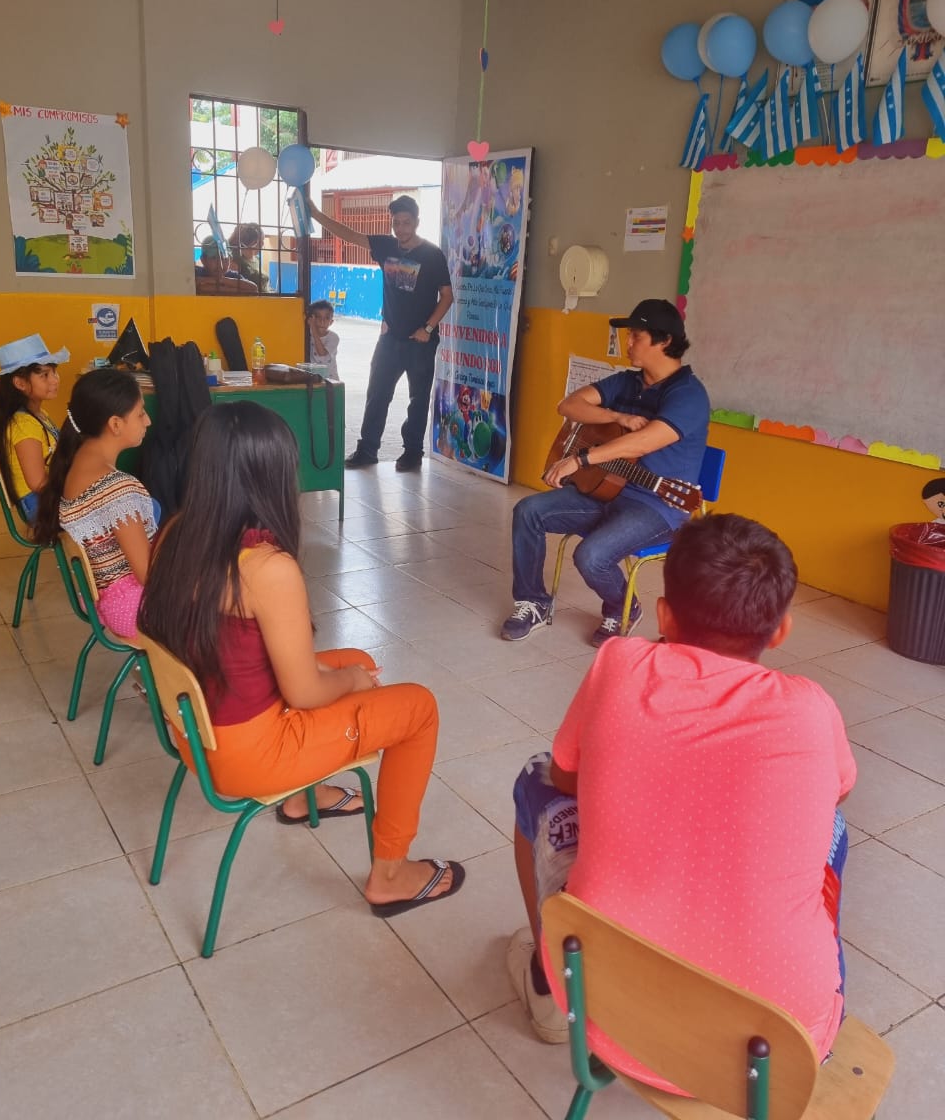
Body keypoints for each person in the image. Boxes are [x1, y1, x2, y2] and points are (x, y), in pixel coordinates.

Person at [507, 513, 856, 1095]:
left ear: (665, 616)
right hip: (777, 1053)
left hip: (604, 1012)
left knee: (533, 776)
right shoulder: (811, 706)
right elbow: (838, 789)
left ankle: (548, 983)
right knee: (835, 829)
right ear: (780, 631)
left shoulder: (621, 662)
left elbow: (565, 776)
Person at [137, 400, 465, 915]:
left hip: (196, 733)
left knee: (356, 657)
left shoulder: (177, 532)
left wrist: (350, 672)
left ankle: (300, 796)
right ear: (270, 476)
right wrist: (351, 682)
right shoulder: (266, 567)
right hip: (250, 756)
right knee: (418, 708)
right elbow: (305, 693)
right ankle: (390, 875)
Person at [501, 299, 710, 647]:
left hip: (657, 506)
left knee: (591, 556)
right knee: (528, 511)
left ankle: (622, 607)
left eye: (636, 336)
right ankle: (533, 602)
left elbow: (644, 441)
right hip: (605, 490)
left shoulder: (689, 395)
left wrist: (582, 460)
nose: (627, 343)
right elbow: (569, 406)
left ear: (664, 341)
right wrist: (616, 417)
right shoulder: (628, 382)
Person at [308, 194, 453, 472]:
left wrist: (428, 328)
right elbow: (349, 235)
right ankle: (367, 450)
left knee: (418, 399)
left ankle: (412, 452)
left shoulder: (432, 255)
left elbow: (447, 296)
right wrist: (316, 214)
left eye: (406, 222)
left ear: (417, 222)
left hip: (420, 343)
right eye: (396, 223)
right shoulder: (386, 246)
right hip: (389, 339)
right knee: (377, 394)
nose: (401, 229)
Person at [34, 368, 156, 639]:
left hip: (108, 602)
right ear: (115, 424)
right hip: (134, 608)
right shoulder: (117, 489)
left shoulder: (75, 465)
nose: (147, 421)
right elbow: (149, 575)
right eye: (140, 413)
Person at [0, 333, 69, 522]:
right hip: (38, 504)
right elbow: (38, 483)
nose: (55, 380)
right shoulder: (24, 425)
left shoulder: (39, 414)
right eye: (44, 375)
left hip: (47, 496)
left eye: (54, 372)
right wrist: (74, 491)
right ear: (20, 383)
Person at [194, 236, 259, 296]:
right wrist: (233, 289)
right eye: (214, 258)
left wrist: (219, 280)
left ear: (230, 259)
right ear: (203, 260)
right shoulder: (196, 272)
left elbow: (253, 289)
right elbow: (202, 288)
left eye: (224, 258)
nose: (220, 264)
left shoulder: (232, 275)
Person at [229, 222, 269, 292]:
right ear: (251, 241)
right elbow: (233, 287)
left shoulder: (257, 259)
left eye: (263, 241)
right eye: (260, 241)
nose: (262, 244)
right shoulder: (235, 260)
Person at [306, 299, 339, 379]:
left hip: (331, 380)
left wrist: (313, 329)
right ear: (312, 319)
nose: (322, 321)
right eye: (318, 317)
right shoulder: (306, 335)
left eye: (327, 318)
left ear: (331, 322)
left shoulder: (333, 337)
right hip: (314, 379)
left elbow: (321, 353)